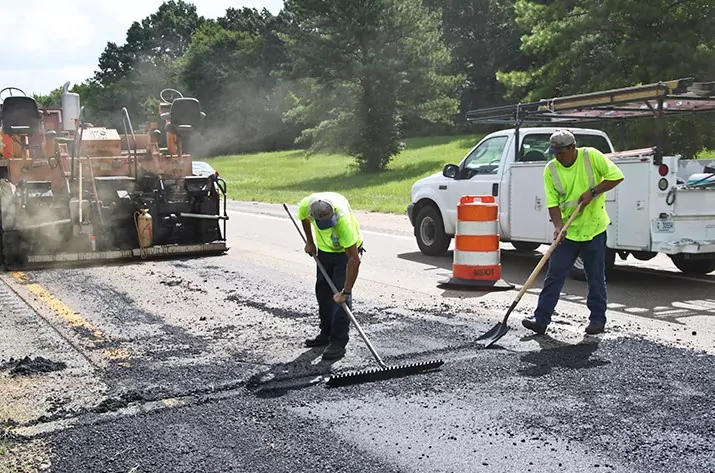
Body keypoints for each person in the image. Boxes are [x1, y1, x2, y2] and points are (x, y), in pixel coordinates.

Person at [522, 130, 625, 336]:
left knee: (595, 277)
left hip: (594, 228)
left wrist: (593, 192)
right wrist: (558, 227)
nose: (558, 157)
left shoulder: (591, 156)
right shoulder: (551, 169)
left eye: (561, 152)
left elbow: (616, 177)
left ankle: (597, 320)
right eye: (554, 153)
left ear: (573, 148)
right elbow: (552, 203)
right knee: (554, 275)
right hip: (568, 232)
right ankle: (541, 319)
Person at [297, 191, 364, 360]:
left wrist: (345, 292)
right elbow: (303, 219)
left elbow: (354, 260)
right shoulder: (306, 206)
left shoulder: (343, 221)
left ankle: (338, 342)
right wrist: (310, 241)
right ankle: (325, 333)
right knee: (323, 292)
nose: (329, 225)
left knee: (339, 297)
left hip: (345, 253)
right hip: (325, 251)